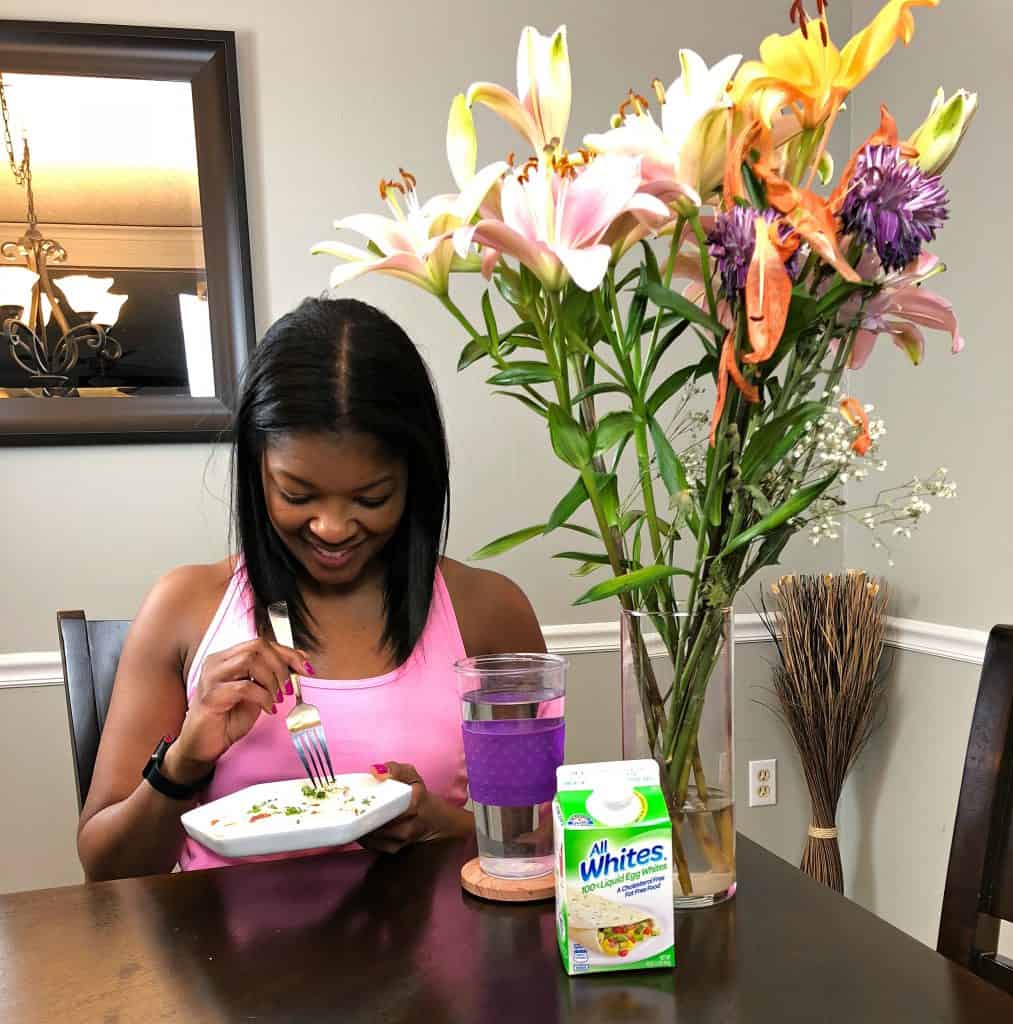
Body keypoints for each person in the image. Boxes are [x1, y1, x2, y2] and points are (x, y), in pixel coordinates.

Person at [77, 297, 545, 881]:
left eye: (371, 498)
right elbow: (106, 869)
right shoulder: (184, 607)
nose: (332, 528)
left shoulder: (489, 613)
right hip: (225, 964)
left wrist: (437, 824)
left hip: (429, 961)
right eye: (298, 495)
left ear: (417, 478)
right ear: (257, 470)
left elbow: (539, 838)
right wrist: (185, 761)